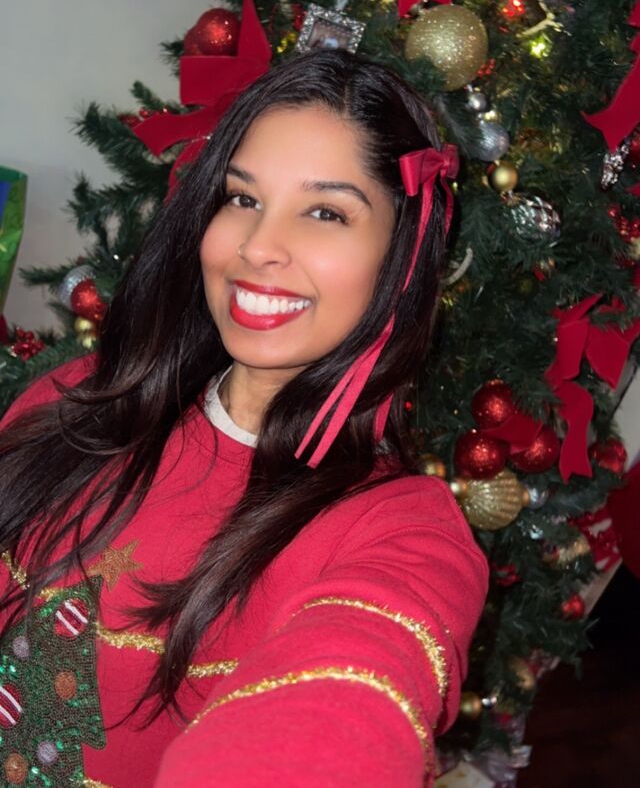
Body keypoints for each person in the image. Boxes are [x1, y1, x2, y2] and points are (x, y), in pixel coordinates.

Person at [0, 49, 488, 787]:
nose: (258, 247)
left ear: (399, 257)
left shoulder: (401, 531)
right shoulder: (74, 397)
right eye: (242, 198)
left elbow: (348, 700)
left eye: (326, 212)